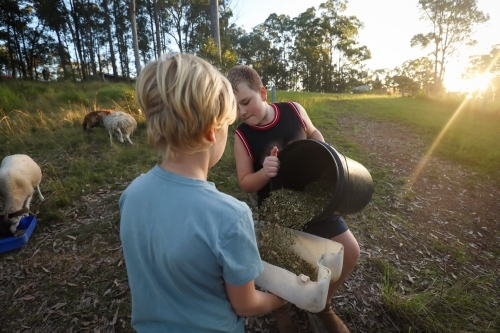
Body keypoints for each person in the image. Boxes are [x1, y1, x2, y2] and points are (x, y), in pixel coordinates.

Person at [119, 54, 287, 333]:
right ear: (212, 132)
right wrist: (283, 298)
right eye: (227, 126)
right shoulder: (230, 216)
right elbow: (245, 305)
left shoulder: (131, 195)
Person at [227, 65, 360, 333]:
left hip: (313, 199)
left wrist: (321, 150)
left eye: (245, 102)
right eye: (234, 107)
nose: (241, 112)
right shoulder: (243, 135)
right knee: (279, 265)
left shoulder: (294, 111)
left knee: (351, 251)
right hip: (277, 210)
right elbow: (245, 183)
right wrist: (264, 172)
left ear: (262, 93)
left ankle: (323, 304)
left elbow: (314, 134)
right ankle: (281, 307)